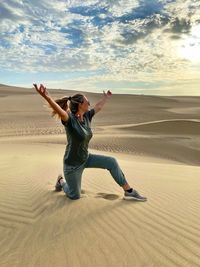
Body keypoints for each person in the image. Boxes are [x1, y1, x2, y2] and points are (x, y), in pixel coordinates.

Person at [33, 83, 147, 201]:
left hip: (86, 158)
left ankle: (129, 191)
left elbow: (98, 107)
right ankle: (61, 181)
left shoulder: (87, 116)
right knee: (74, 196)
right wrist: (47, 97)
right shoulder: (69, 119)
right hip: (72, 165)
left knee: (112, 162)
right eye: (87, 101)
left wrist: (105, 98)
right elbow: (59, 110)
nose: (89, 103)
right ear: (80, 104)